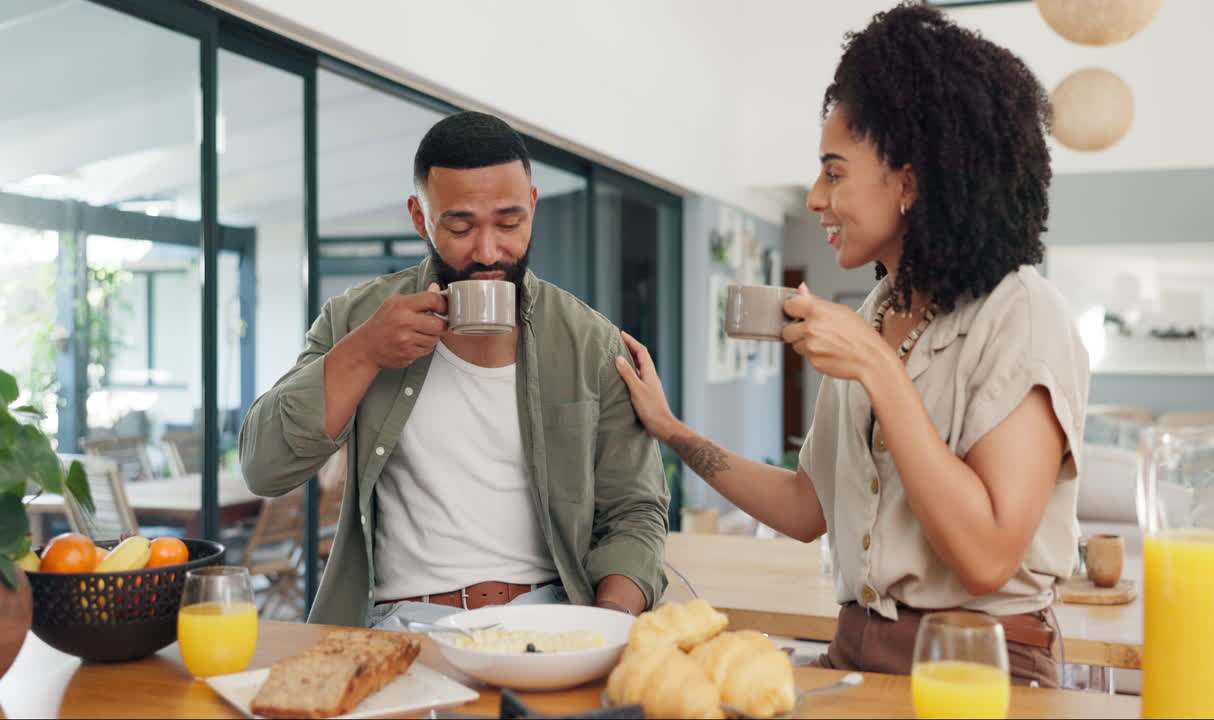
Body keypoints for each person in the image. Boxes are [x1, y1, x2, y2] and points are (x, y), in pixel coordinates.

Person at [615, 3, 1088, 687]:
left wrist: (874, 369)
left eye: (833, 172)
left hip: (982, 671)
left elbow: (986, 555)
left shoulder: (1023, 314)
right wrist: (670, 431)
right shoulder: (874, 313)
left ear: (910, 181)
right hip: (857, 652)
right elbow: (808, 508)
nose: (814, 196)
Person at [239, 111, 668, 629]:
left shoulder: (591, 343)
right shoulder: (355, 320)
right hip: (401, 622)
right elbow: (264, 468)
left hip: (552, 616)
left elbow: (636, 511)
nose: (488, 251)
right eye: (460, 226)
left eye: (509, 224)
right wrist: (363, 354)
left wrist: (605, 623)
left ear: (532, 206)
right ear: (420, 217)